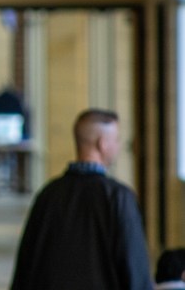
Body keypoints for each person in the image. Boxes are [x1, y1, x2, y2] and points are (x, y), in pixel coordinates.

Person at [10, 108, 154, 290]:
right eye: (116, 140)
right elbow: (135, 270)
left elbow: (26, 266)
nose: (118, 146)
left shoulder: (48, 195)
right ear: (102, 144)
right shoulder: (119, 198)